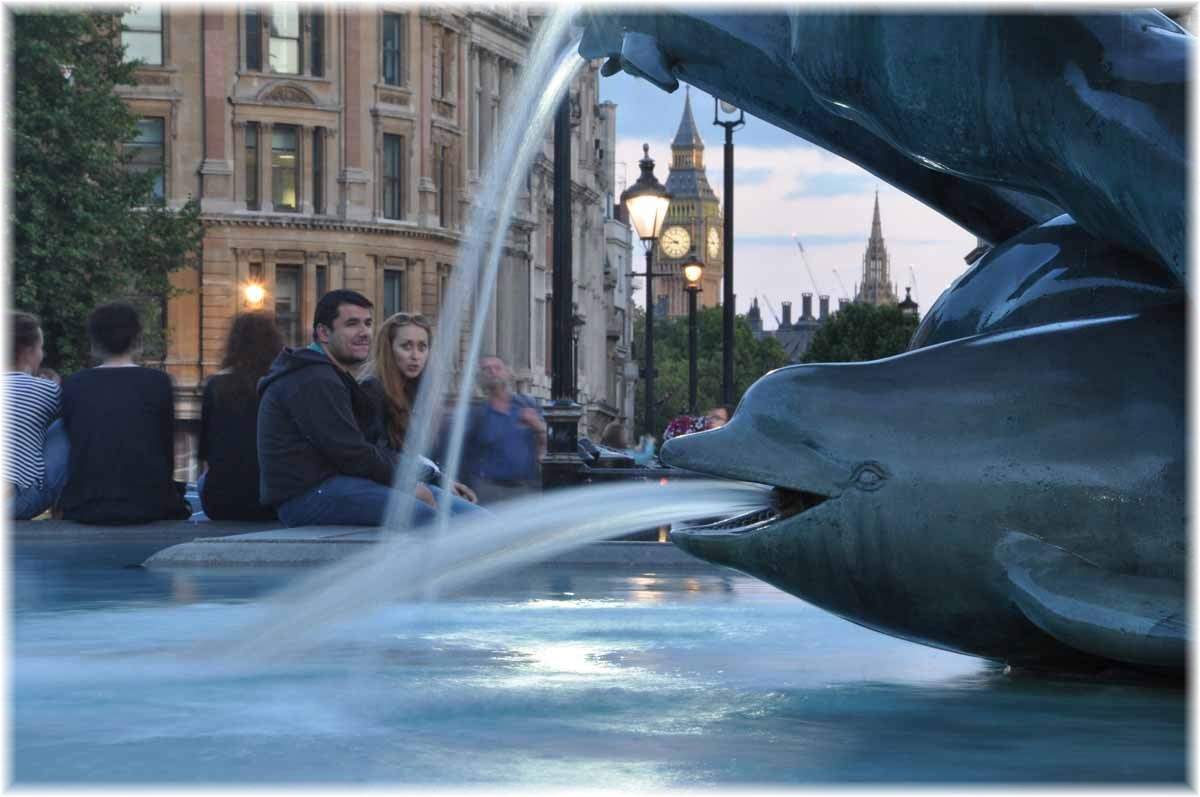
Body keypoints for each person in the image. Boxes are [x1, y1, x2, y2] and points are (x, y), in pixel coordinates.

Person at [256, 290, 438, 527]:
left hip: (336, 486)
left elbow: (367, 448)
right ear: (323, 333)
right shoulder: (314, 379)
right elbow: (351, 452)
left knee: (467, 518)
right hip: (308, 497)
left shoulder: (330, 375)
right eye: (352, 324)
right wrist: (407, 482)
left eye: (368, 323)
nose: (364, 333)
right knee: (430, 518)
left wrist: (428, 479)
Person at [58, 302, 191, 524]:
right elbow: (166, 447)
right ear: (136, 339)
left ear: (95, 341)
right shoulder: (157, 383)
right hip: (148, 503)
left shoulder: (74, 384)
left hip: (87, 503)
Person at [358, 311, 479, 511]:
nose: (415, 356)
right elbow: (378, 453)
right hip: (386, 488)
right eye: (406, 346)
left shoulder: (413, 392)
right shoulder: (372, 390)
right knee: (475, 521)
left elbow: (408, 454)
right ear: (389, 349)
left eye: (422, 347)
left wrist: (442, 479)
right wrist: (434, 478)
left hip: (406, 483)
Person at [197, 312, 282, 521]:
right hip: (274, 502)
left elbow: (205, 453)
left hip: (221, 503)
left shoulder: (216, 386)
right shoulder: (282, 385)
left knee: (201, 481)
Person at [457, 355, 546, 505]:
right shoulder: (475, 415)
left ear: (507, 373)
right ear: (480, 378)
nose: (493, 372)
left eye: (497, 368)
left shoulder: (527, 405)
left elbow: (548, 446)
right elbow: (463, 457)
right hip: (489, 492)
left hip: (525, 491)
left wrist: (537, 426)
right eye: (487, 369)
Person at [6, 312, 68, 520]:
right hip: (19, 502)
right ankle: (65, 508)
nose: (42, 355)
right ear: (27, 351)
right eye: (40, 348)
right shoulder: (44, 389)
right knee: (67, 424)